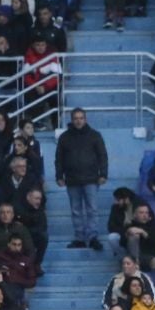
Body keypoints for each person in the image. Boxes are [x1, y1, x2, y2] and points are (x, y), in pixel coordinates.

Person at [54, 107, 109, 251]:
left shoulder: (95, 136)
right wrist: (59, 176)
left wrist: (103, 174)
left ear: (85, 119)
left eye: (81, 118)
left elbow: (102, 156)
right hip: (72, 179)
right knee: (76, 210)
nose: (78, 121)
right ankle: (79, 238)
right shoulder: (64, 137)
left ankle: (92, 237)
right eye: (75, 118)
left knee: (92, 209)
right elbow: (58, 158)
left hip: (91, 179)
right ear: (71, 120)